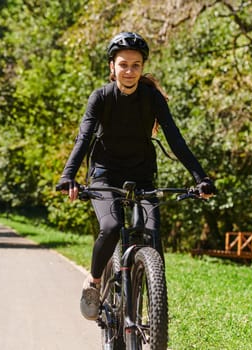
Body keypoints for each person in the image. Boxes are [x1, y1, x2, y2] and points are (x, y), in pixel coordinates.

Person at [56, 32, 216, 321]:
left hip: (142, 174)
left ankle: (154, 308)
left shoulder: (152, 98)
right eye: (123, 65)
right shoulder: (101, 97)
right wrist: (69, 176)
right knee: (112, 225)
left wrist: (200, 177)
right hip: (105, 175)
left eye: (136, 65)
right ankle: (93, 283)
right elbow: (83, 139)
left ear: (142, 68)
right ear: (112, 67)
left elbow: (175, 140)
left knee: (152, 234)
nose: (129, 71)